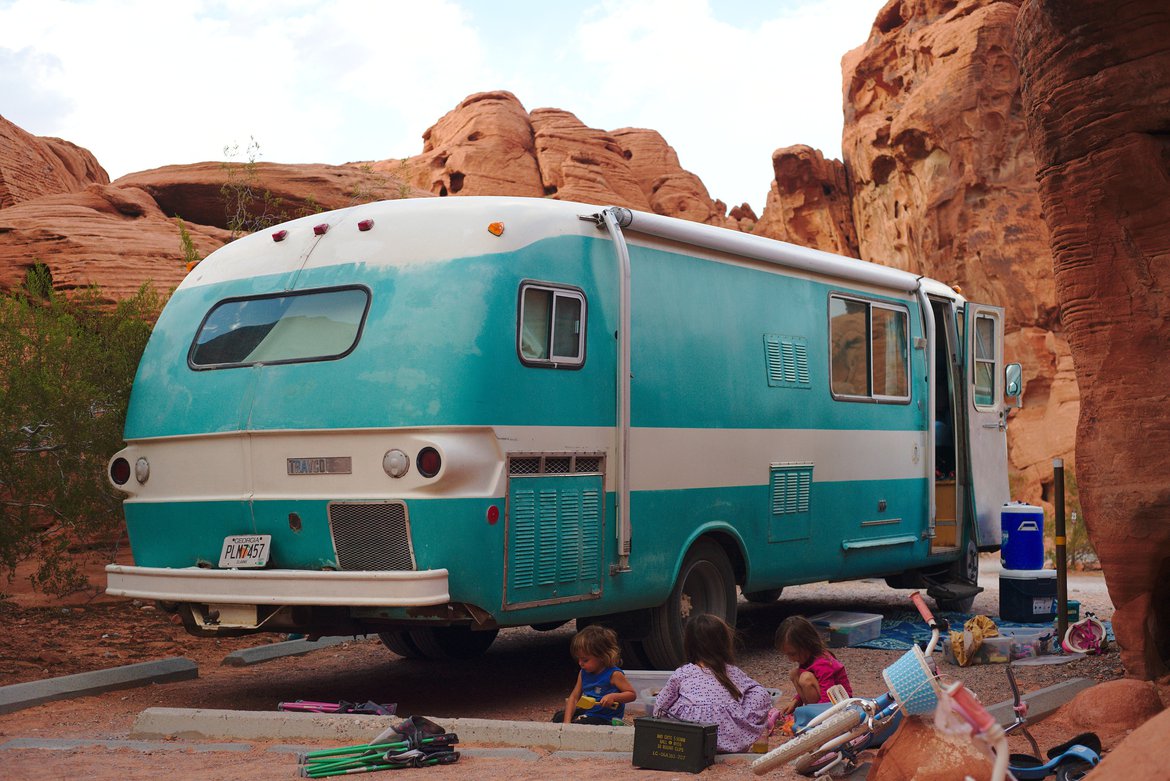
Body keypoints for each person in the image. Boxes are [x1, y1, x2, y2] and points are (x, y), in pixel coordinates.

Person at [652, 614, 771, 753]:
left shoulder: (683, 672)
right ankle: (742, 732)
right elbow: (760, 693)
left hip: (691, 741)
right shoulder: (732, 672)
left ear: (688, 644)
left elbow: (660, 707)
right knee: (760, 694)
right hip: (731, 741)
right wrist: (742, 714)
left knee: (674, 702)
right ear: (725, 643)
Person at [774, 615, 853, 729]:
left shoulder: (823, 662)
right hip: (825, 703)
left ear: (807, 644)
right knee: (795, 674)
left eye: (793, 654)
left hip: (839, 704)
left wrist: (816, 717)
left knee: (805, 678)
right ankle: (811, 713)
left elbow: (828, 696)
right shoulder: (807, 657)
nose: (791, 659)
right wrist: (796, 701)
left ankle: (816, 720)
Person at [553, 624, 636, 725]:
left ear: (601, 656)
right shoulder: (583, 673)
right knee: (559, 717)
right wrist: (566, 722)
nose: (580, 663)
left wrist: (614, 697)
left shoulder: (614, 674)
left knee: (582, 724)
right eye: (578, 659)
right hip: (589, 712)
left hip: (606, 718)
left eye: (585, 660)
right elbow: (574, 698)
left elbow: (632, 694)